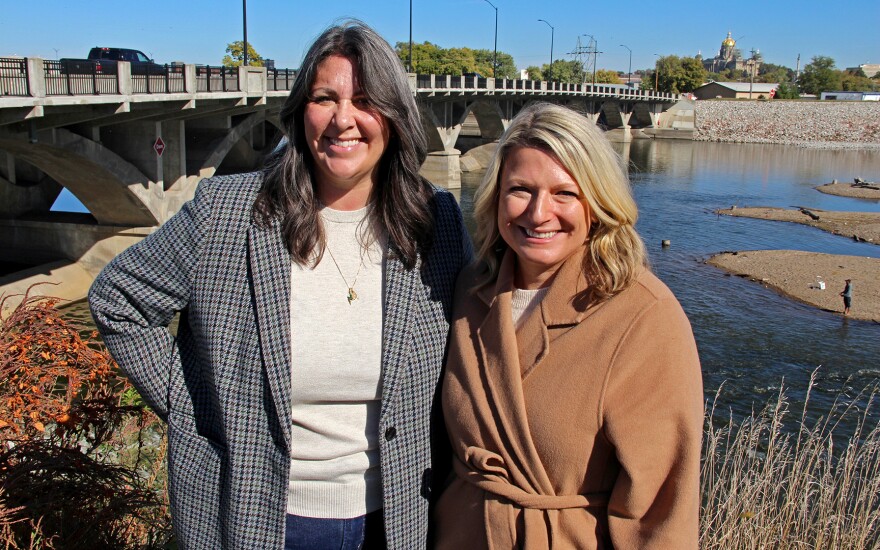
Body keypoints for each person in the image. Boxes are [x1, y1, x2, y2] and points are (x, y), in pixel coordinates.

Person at [89, 21, 472, 549]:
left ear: (396, 117)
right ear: (300, 112)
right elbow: (119, 299)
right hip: (259, 514)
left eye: (365, 100)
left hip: (401, 514)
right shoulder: (228, 212)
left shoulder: (437, 222)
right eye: (324, 98)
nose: (344, 119)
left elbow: (479, 340)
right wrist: (191, 400)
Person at [435, 103, 704, 548]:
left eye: (564, 193)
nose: (539, 214)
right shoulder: (471, 290)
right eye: (520, 189)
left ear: (598, 202)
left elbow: (661, 510)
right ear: (495, 197)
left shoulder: (643, 315)